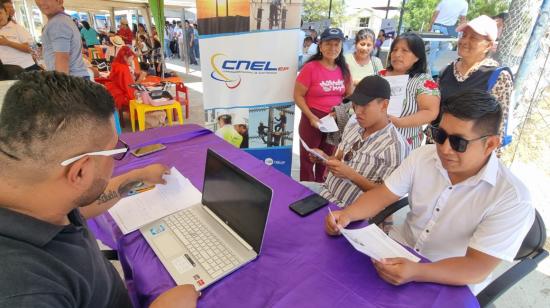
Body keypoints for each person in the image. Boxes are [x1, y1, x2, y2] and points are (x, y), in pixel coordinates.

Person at [0, 71, 200, 307]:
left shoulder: (39, 196)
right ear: (80, 172)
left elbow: (82, 207)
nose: (117, 160)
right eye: (114, 151)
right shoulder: (25, 293)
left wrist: (138, 176)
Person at [325, 89, 534, 295]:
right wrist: (347, 215)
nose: (444, 149)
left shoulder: (513, 199)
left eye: (458, 142)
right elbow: (383, 194)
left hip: (449, 279)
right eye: (440, 135)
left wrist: (417, 271)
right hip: (398, 251)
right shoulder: (423, 156)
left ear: (490, 144)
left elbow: (476, 267)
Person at [311, 76, 409, 211]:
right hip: (324, 193)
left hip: (348, 213)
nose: (357, 112)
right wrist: (324, 158)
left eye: (365, 105)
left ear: (384, 105)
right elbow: (338, 160)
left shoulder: (394, 146)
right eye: (355, 105)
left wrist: (352, 175)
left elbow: (386, 197)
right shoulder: (353, 126)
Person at [436, 15, 513, 145]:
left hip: (468, 152)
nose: (464, 41)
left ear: (488, 45)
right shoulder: (447, 70)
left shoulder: (498, 76)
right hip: (438, 143)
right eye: (464, 35)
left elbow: (499, 125)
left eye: (473, 38)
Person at [294, 27, 352, 182]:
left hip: (334, 121)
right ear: (320, 46)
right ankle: (305, 193)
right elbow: (298, 96)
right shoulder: (310, 68)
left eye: (336, 44)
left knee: (326, 161)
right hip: (311, 120)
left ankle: (322, 191)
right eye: (328, 44)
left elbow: (350, 97)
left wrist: (339, 112)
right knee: (308, 159)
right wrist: (311, 117)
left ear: (341, 47)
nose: (332, 48)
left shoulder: (344, 70)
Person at [380, 32, 440, 149]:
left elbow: (430, 112)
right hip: (375, 141)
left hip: (404, 146)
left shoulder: (422, 81)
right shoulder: (380, 75)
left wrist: (399, 122)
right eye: (394, 49)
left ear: (417, 56)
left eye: (404, 50)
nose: (397, 54)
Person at [36, 0, 89, 78]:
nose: (41, 2)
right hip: (75, 79)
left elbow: (62, 60)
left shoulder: (58, 23)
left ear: (60, 1)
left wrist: (60, 87)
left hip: (70, 82)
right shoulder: (63, 20)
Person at [427, 0, 468, 77]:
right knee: (443, 50)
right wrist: (462, 33)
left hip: (437, 26)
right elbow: (463, 19)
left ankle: (429, 69)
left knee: (433, 49)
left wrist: (430, 26)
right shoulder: (464, 3)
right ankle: (433, 70)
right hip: (448, 29)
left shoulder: (444, 1)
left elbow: (435, 14)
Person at [105, 46, 146, 114]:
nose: (131, 61)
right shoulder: (123, 69)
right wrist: (140, 79)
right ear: (125, 57)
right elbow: (129, 88)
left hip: (113, 92)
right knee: (142, 96)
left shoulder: (116, 64)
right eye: (131, 59)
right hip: (120, 96)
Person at [0, 3, 40, 71]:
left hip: (26, 68)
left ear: (6, 14)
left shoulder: (17, 28)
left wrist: (8, 43)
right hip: (7, 71)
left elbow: (34, 48)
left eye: (0, 13)